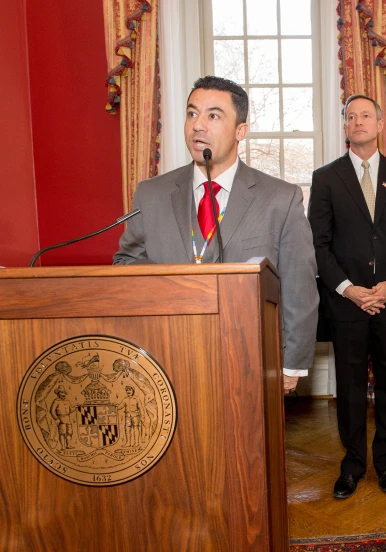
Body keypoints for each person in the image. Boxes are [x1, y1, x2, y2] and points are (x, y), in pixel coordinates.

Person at [114, 76, 318, 392]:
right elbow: (126, 267)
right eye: (192, 113)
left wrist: (292, 363)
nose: (198, 125)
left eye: (213, 116)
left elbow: (298, 286)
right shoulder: (151, 194)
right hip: (163, 363)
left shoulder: (281, 198)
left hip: (249, 365)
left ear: (241, 131)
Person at [308, 94, 386, 498]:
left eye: (365, 116)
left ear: (379, 124)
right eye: (350, 117)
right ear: (345, 126)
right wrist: (349, 289)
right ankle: (353, 464)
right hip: (346, 305)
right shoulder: (325, 179)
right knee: (351, 389)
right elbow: (318, 245)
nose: (358, 122)